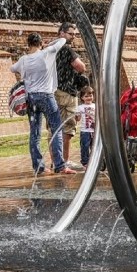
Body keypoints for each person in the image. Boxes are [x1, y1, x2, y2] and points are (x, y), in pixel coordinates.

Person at [10, 32, 76, 175]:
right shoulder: (47, 53)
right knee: (56, 129)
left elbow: (12, 69)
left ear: (28, 44)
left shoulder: (23, 59)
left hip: (30, 98)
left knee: (35, 133)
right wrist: (48, 45)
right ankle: (60, 166)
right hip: (46, 96)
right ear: (40, 43)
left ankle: (39, 168)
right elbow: (63, 40)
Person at [54, 22, 87, 170]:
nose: (73, 37)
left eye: (74, 34)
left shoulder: (51, 47)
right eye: (70, 33)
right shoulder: (66, 48)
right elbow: (81, 67)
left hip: (54, 91)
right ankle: (64, 161)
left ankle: (56, 161)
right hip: (67, 92)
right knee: (68, 127)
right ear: (61, 33)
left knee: (55, 127)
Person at [74, 86, 96, 168]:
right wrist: (77, 115)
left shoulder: (95, 106)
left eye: (90, 95)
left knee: (94, 146)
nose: (89, 98)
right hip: (85, 131)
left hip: (94, 131)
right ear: (82, 97)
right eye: (86, 96)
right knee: (85, 147)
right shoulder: (80, 107)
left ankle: (94, 160)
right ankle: (85, 162)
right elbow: (78, 119)